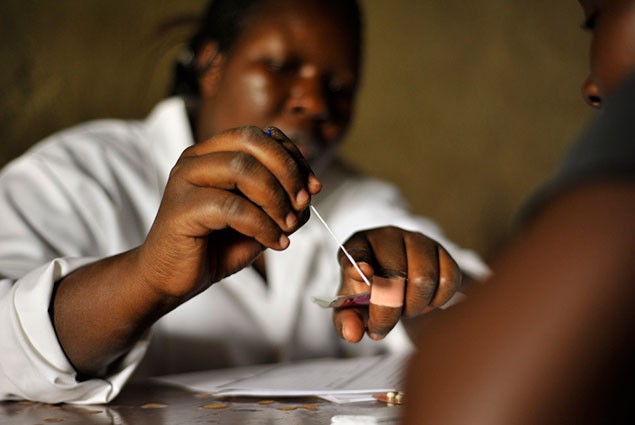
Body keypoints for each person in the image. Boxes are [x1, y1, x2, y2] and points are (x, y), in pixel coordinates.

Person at [0, 0, 488, 404]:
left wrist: (422, 290)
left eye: (338, 89)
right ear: (211, 64)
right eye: (281, 67)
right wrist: (147, 278)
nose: (315, 104)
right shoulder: (80, 175)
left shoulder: (351, 197)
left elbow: (486, 306)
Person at [337, 0, 635, 423]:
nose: (589, 86)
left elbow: (470, 403)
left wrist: (440, 303)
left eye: (595, 21)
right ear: (209, 64)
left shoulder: (363, 202)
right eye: (277, 65)